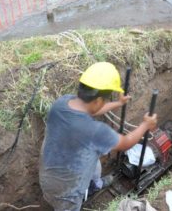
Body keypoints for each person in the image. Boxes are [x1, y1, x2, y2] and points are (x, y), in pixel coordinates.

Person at [39, 62, 158, 211]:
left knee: (95, 164)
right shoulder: (96, 131)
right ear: (99, 101)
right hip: (66, 191)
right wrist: (145, 125)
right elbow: (126, 142)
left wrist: (117, 103)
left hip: (50, 169)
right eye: (106, 100)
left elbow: (92, 110)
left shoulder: (62, 103)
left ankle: (94, 185)